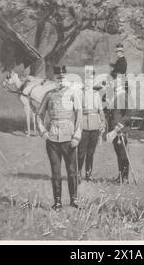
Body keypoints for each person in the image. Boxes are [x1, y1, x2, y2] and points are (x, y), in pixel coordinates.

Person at [37, 66, 83, 211]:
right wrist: (43, 132)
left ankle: (74, 200)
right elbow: (38, 115)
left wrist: (77, 135)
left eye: (63, 78)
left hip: (69, 138)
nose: (61, 81)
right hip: (52, 140)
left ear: (66, 78)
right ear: (54, 79)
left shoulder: (73, 94)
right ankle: (57, 201)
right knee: (56, 172)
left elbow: (79, 116)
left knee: (71, 171)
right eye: (58, 78)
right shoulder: (49, 95)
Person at [77, 67, 106, 182]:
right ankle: (78, 173)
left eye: (91, 80)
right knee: (81, 152)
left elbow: (100, 110)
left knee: (91, 152)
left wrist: (103, 122)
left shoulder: (96, 94)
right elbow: (77, 111)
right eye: (87, 80)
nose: (89, 82)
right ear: (84, 81)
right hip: (83, 125)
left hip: (94, 126)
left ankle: (88, 174)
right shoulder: (80, 94)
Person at [106, 74, 132, 184]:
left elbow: (128, 114)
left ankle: (125, 178)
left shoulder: (124, 95)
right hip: (114, 130)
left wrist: (119, 126)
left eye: (114, 81)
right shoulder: (115, 94)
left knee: (123, 154)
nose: (112, 82)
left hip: (121, 130)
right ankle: (121, 176)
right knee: (119, 153)